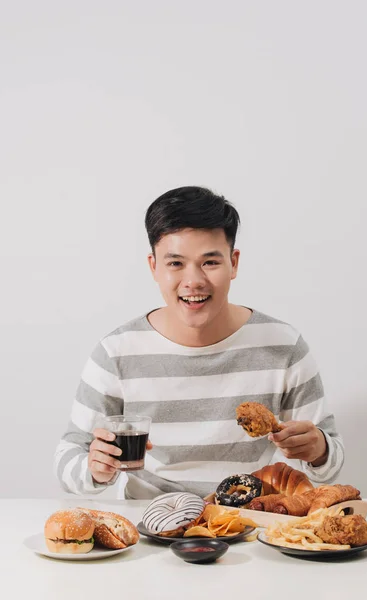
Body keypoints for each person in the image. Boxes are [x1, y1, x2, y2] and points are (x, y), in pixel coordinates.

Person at [54, 186, 344, 499]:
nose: (193, 281)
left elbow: (331, 464)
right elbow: (69, 457)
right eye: (175, 264)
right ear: (154, 267)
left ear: (233, 263)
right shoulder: (116, 352)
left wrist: (319, 449)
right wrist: (96, 469)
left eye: (209, 262)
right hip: (153, 525)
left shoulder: (284, 346)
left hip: (246, 522)